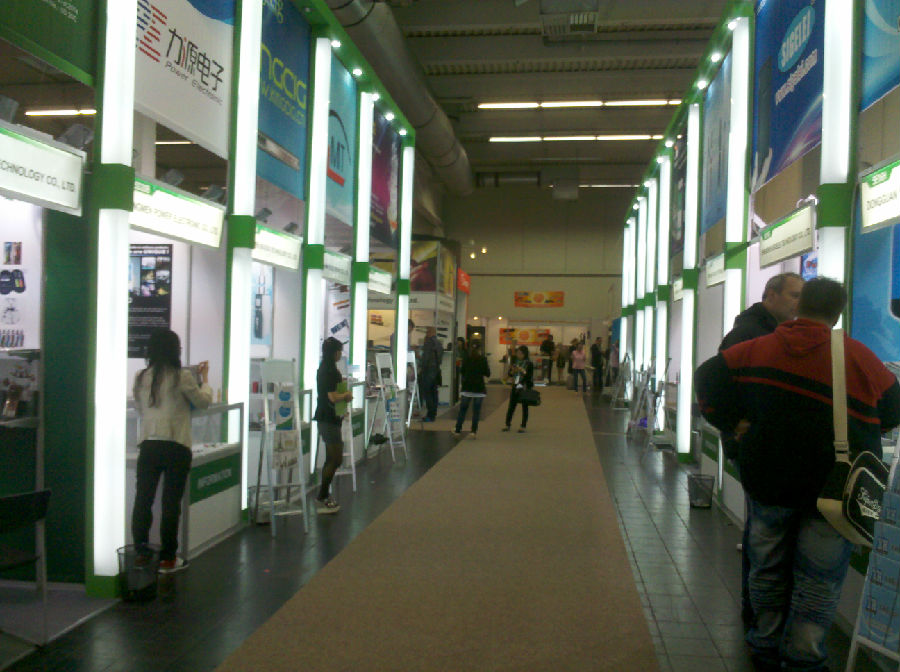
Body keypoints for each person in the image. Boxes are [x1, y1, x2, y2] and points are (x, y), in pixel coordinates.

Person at [695, 278, 900, 672]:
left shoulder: (755, 349)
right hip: (832, 489)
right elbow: (892, 410)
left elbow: (707, 378)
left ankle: (764, 645)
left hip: (767, 480)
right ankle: (803, 656)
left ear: (800, 304)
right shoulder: (857, 357)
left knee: (766, 568)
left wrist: (732, 422)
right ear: (837, 313)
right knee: (818, 580)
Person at [719, 271, 804, 625]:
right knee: (763, 538)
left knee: (764, 536)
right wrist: (734, 424)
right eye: (794, 295)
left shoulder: (771, 332)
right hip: (758, 449)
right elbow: (716, 381)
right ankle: (756, 613)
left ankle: (761, 613)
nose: (798, 303)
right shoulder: (749, 334)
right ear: (771, 295)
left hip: (768, 448)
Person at [132, 329, 212, 573]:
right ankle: (168, 558)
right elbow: (203, 402)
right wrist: (205, 379)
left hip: (148, 445)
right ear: (174, 350)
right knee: (170, 504)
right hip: (176, 445)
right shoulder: (182, 377)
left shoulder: (141, 377)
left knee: (143, 500)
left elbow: (140, 408)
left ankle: (140, 552)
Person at [314, 337, 354, 514]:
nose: (340, 354)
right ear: (335, 352)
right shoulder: (329, 371)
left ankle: (323, 495)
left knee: (332, 458)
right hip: (328, 419)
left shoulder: (326, 368)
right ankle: (322, 496)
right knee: (335, 458)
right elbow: (332, 396)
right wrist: (346, 396)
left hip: (329, 418)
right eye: (339, 351)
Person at [452, 342, 491, 439]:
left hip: (467, 387)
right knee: (476, 411)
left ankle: (457, 430)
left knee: (463, 410)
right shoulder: (483, 359)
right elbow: (487, 373)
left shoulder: (466, 358)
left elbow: (462, 371)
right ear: (480, 349)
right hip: (479, 388)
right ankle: (473, 431)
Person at [502, 345, 534, 433]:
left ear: (524, 354)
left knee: (524, 406)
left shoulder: (529, 364)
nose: (518, 355)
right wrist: (513, 371)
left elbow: (528, 376)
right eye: (517, 353)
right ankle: (507, 424)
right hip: (515, 385)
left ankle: (523, 426)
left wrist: (520, 371)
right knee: (511, 405)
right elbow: (510, 374)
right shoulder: (515, 362)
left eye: (520, 353)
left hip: (524, 386)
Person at [419, 326, 443, 422]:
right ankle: (433, 414)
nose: (426, 333)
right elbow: (440, 359)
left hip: (428, 370)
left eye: (427, 332)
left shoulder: (428, 342)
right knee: (434, 393)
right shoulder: (439, 343)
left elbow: (426, 358)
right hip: (436, 370)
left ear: (430, 332)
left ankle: (430, 414)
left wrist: (421, 367)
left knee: (427, 392)